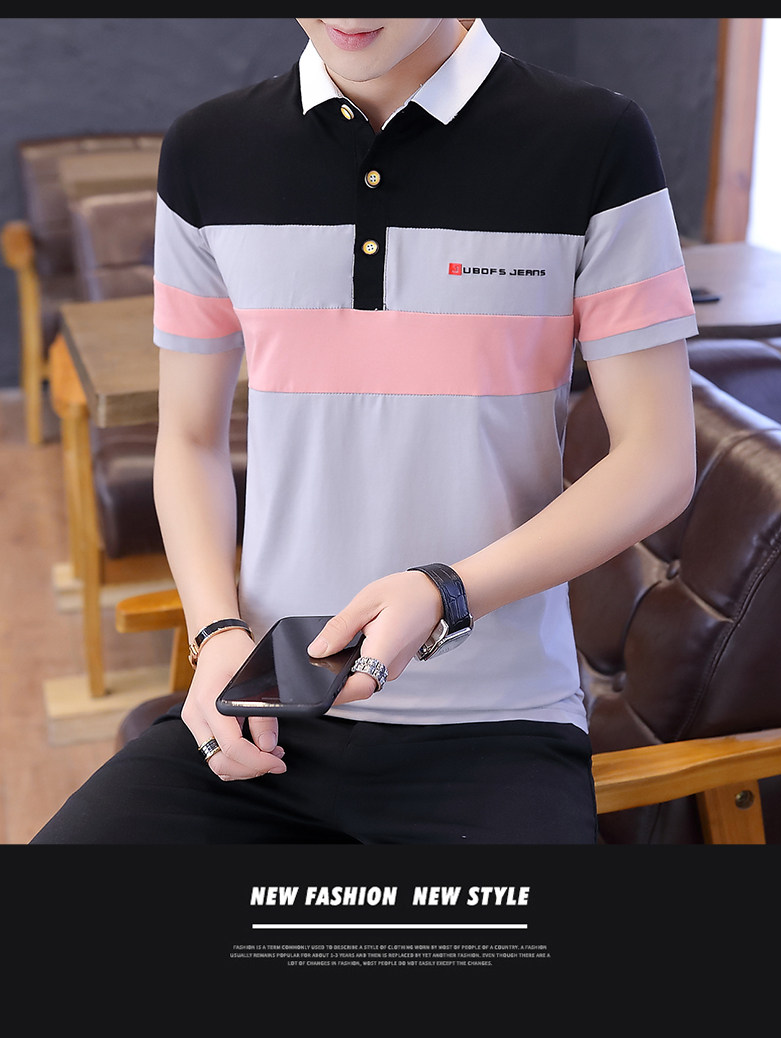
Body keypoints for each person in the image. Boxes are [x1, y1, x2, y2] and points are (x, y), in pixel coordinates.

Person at [31, 18, 697, 844]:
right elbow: (190, 440)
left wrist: (445, 591)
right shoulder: (207, 150)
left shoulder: (595, 141)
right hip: (269, 705)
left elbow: (658, 460)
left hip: (500, 726)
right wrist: (216, 634)